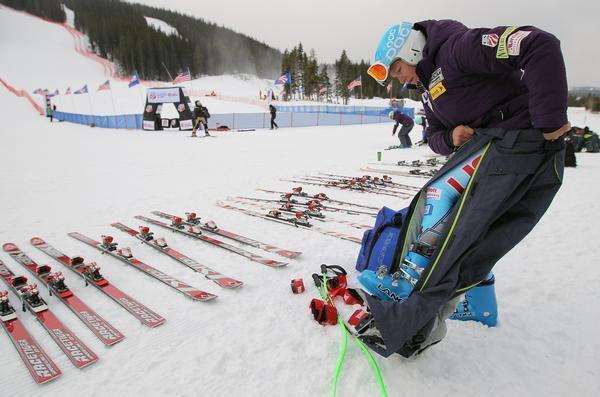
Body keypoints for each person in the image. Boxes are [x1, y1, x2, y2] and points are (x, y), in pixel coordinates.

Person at [352, 20, 570, 358]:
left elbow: (537, 43)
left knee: (446, 217)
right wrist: (449, 137)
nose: (399, 78)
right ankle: (476, 303)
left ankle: (411, 307)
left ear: (411, 48)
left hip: (513, 142)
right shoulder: (427, 88)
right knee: (474, 233)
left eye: (397, 69)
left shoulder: (458, 49)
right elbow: (433, 134)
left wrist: (549, 119)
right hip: (496, 149)